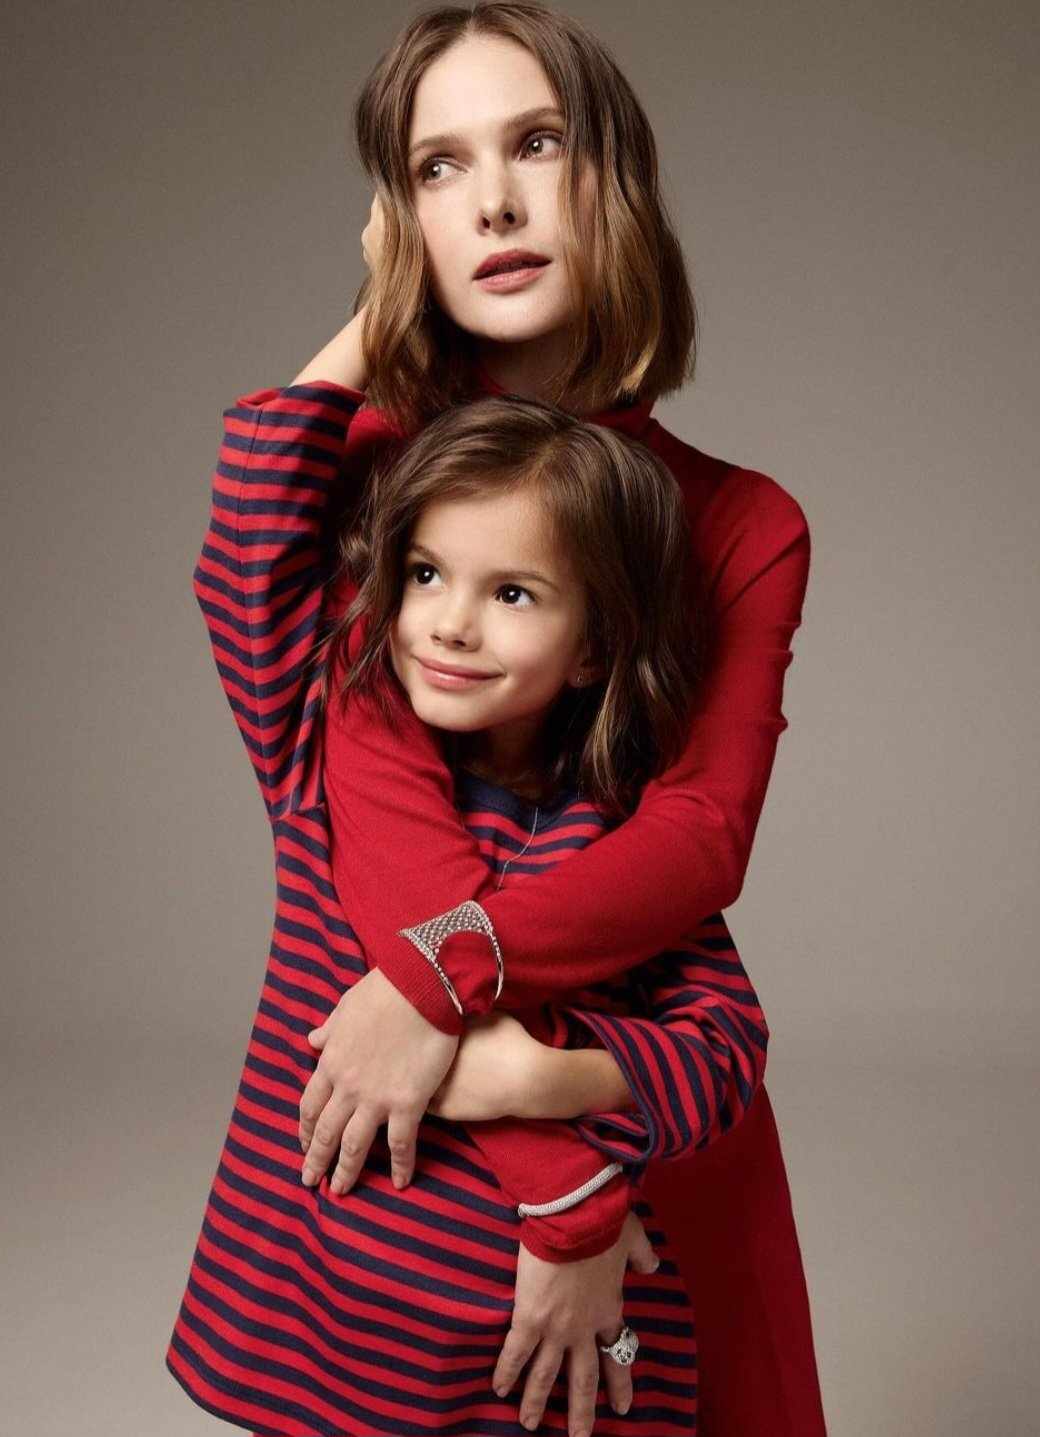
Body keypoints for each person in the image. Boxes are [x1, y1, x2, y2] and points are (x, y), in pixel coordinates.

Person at [170, 3, 825, 1433]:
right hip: (399, 1196)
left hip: (628, 1134)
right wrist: (383, 305)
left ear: (613, 176)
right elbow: (265, 614)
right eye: (438, 168)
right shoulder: (377, 485)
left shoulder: (741, 521)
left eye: (538, 144)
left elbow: (697, 840)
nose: (497, 205)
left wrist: (443, 985)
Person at [167, 368, 771, 1437]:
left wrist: (548, 1076)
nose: (449, 625)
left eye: (512, 594)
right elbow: (251, 526)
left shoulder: (615, 853)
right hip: (322, 1336)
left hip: (538, 1364)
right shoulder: (315, 756)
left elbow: (725, 1051)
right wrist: (392, 297)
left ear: (594, 645)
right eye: (426, 574)